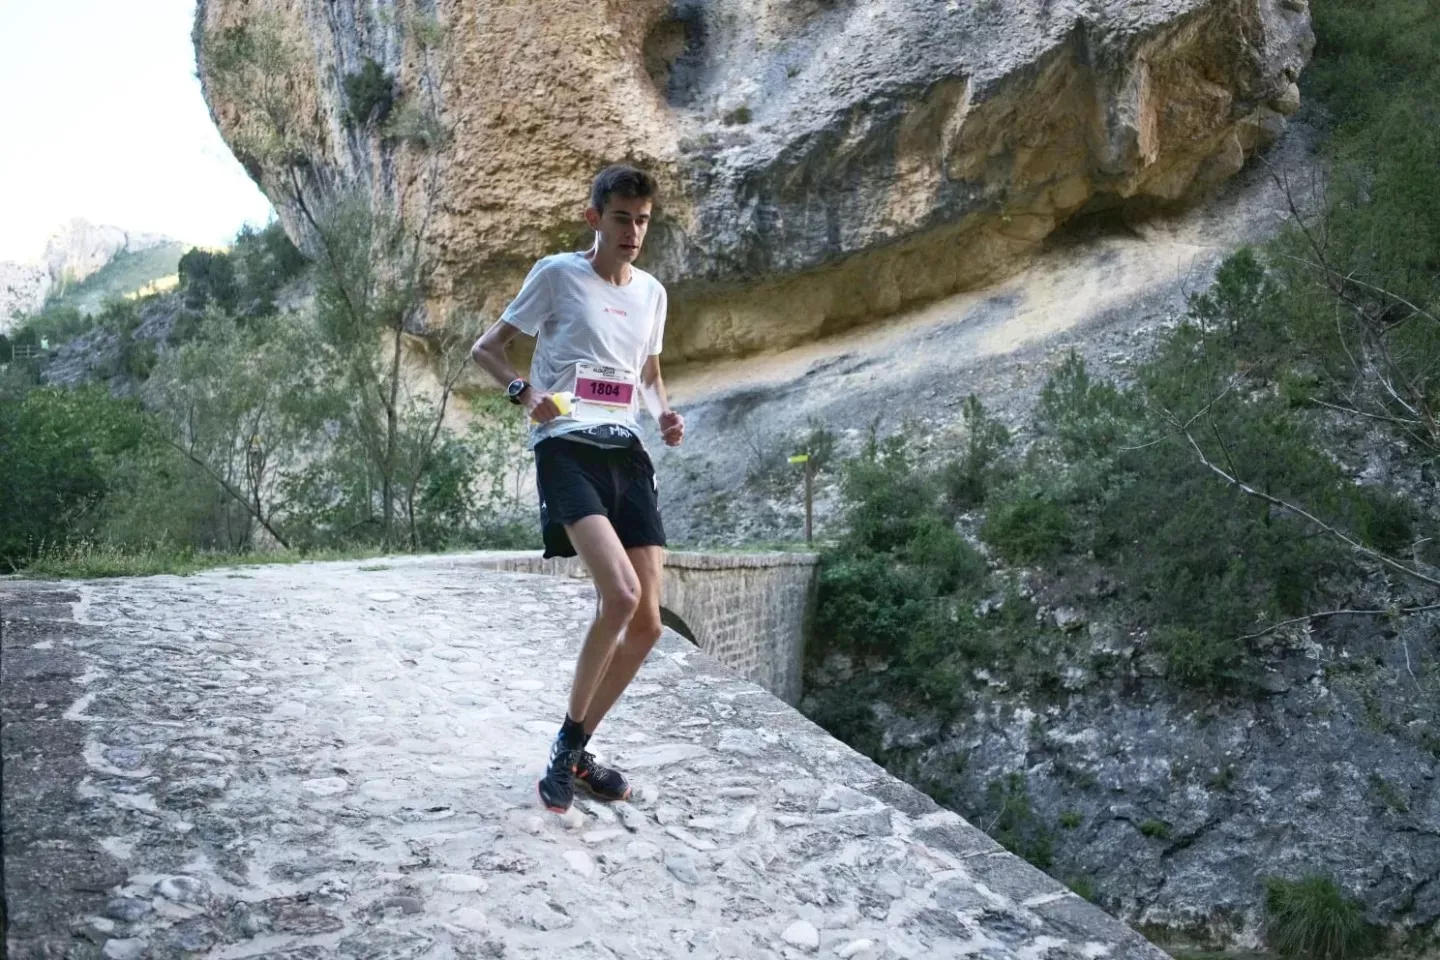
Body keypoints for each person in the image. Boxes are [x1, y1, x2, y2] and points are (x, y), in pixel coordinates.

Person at [471, 164, 685, 813]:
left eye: (642, 220)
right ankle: (566, 752)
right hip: (565, 446)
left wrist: (665, 410)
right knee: (618, 596)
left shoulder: (652, 293)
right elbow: (488, 348)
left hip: (627, 452)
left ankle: (580, 750)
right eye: (621, 218)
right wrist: (523, 391)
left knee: (648, 622)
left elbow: (646, 374)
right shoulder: (559, 275)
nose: (633, 231)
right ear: (595, 218)